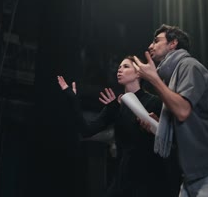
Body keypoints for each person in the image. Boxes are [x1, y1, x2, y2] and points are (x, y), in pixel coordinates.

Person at [133, 24, 208, 197]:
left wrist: (154, 79)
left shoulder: (189, 66)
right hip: (192, 174)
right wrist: (158, 126)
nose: (150, 46)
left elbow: (182, 111)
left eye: (156, 41)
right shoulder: (171, 79)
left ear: (173, 43)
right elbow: (186, 125)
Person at [57, 56, 178, 197]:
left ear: (138, 73)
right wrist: (72, 99)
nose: (119, 70)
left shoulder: (154, 102)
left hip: (148, 180)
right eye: (119, 67)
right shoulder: (115, 106)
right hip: (122, 181)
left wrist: (154, 126)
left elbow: (172, 139)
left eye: (126, 66)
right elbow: (86, 130)